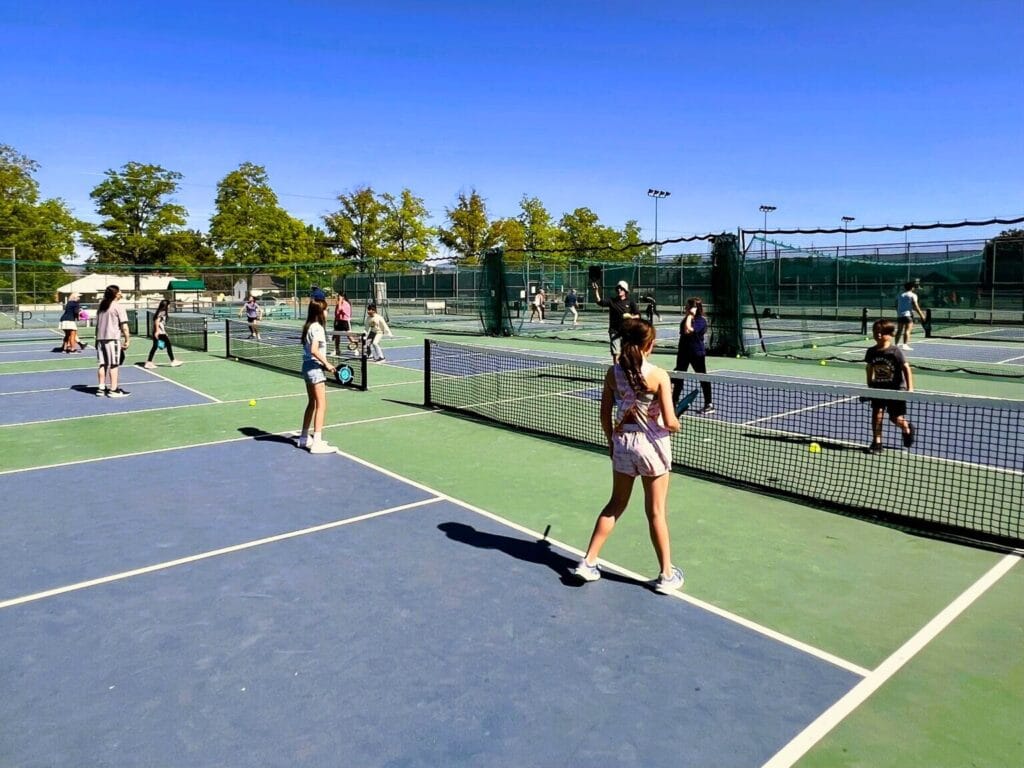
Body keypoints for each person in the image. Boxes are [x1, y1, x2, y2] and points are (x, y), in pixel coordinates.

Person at [573, 318, 685, 594]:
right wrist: (675, 425)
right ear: (650, 345)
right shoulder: (659, 375)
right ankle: (667, 576)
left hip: (622, 443)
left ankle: (588, 562)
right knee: (656, 511)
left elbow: (604, 414)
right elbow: (670, 422)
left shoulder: (613, 373)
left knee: (615, 504)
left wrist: (611, 442)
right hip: (652, 448)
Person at [864, 318, 915, 454]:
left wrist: (910, 388)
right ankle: (877, 442)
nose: (878, 335)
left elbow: (906, 368)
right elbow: (869, 367)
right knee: (877, 414)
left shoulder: (895, 351)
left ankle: (906, 428)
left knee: (895, 418)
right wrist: (870, 385)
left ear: (890, 334)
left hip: (896, 390)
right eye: (875, 332)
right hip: (878, 389)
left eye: (881, 332)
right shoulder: (871, 351)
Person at [297, 298, 338, 454]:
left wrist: (324, 363)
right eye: (326, 310)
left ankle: (303, 438)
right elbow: (315, 350)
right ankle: (317, 443)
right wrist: (326, 364)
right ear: (320, 312)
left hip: (307, 367)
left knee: (312, 403)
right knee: (321, 405)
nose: (328, 313)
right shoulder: (318, 328)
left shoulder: (308, 327)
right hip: (314, 368)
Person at [673, 297, 714, 414]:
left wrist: (690, 316)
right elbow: (684, 331)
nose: (685, 308)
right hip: (683, 353)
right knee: (678, 376)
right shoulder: (685, 320)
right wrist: (689, 317)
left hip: (697, 354)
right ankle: (673, 400)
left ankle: (709, 404)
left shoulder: (701, 321)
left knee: (702, 377)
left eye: (688, 306)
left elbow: (688, 330)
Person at [94, 285, 131, 398]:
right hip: (112, 339)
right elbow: (124, 326)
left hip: (100, 339)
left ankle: (101, 388)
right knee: (114, 365)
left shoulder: (102, 306)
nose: (121, 293)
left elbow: (97, 326)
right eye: (120, 292)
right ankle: (113, 390)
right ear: (115, 294)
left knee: (102, 364)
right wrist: (127, 340)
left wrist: (96, 340)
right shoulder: (118, 307)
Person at [591, 279, 639, 361]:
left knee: (627, 354)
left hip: (627, 332)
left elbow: (638, 315)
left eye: (621, 288)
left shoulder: (631, 302)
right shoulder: (611, 301)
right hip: (614, 331)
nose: (619, 290)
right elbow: (599, 301)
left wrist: (630, 317)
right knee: (616, 353)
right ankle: (617, 372)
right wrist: (596, 291)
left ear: (625, 290)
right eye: (617, 288)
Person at [144, 299, 183, 368]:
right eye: (168, 305)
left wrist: (164, 331)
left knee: (155, 347)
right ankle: (173, 361)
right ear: (166, 305)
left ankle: (149, 362)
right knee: (168, 345)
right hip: (160, 333)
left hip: (161, 332)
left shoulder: (160, 312)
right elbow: (157, 321)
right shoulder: (163, 312)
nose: (169, 306)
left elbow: (160, 323)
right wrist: (157, 331)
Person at [895, 281, 925, 350]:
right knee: (907, 330)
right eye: (914, 287)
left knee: (899, 330)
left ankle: (896, 345)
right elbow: (916, 306)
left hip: (900, 316)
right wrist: (921, 315)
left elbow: (896, 304)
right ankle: (905, 345)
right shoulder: (913, 295)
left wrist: (899, 312)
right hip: (908, 316)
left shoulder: (900, 295)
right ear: (912, 288)